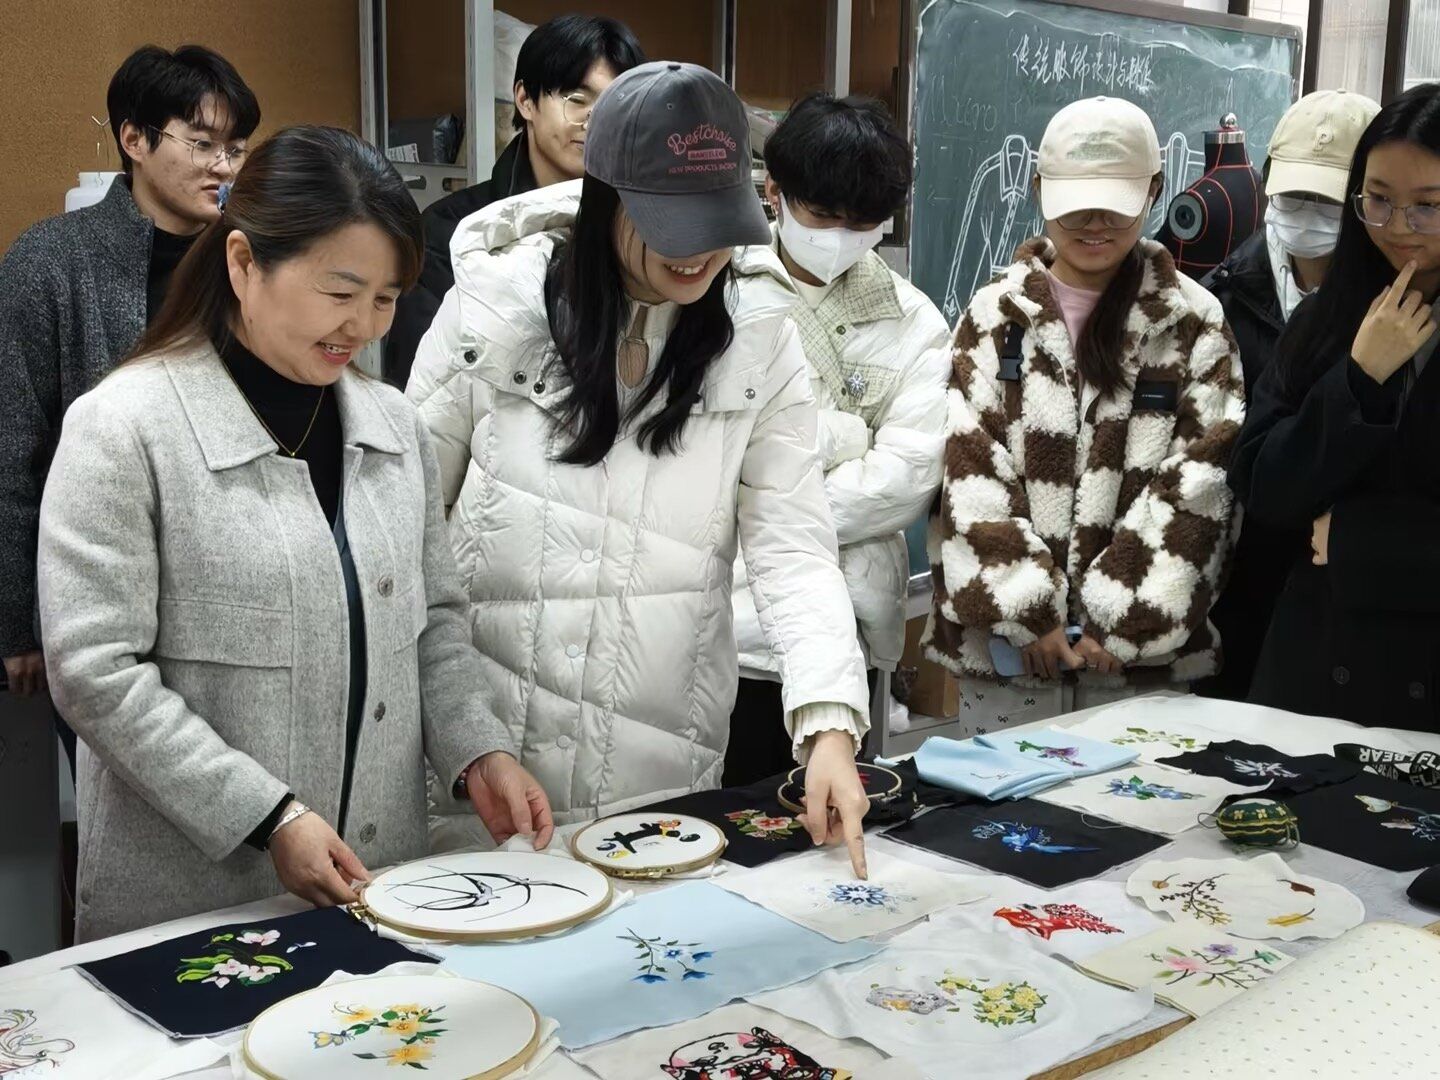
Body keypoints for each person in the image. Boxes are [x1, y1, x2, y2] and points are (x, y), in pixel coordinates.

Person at [37, 126, 554, 942]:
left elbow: (434, 625)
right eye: (339, 291)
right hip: (192, 903)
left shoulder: (394, 426)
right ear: (244, 263)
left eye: (385, 298)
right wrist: (268, 815)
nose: (362, 326)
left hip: (379, 877)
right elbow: (95, 673)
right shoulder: (126, 427)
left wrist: (476, 751)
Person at [408, 61, 874, 874]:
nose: (700, 254)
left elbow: (794, 548)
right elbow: (406, 532)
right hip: (488, 768)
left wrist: (829, 723)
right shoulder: (493, 307)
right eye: (671, 224)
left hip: (662, 768)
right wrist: (465, 740)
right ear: (607, 198)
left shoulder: (761, 335)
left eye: (717, 222)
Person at [926, 96, 1245, 733]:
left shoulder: (1193, 321)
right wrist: (1027, 610)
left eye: (1115, 202)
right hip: (1006, 665)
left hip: (1142, 671)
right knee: (1000, 802)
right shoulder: (994, 318)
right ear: (1038, 188)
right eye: (1074, 201)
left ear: (1154, 190)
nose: (1094, 221)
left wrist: (1121, 620)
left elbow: (1202, 484)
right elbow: (969, 469)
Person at [0, 44, 257, 757]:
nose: (224, 166)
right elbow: (13, 450)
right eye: (201, 143)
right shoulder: (50, 262)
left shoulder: (250, 259)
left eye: (236, 148)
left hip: (236, 589)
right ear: (135, 140)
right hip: (98, 598)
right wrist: (17, 623)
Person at [725, 92, 949, 785]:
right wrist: (850, 438)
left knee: (826, 815)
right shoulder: (718, 288)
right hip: (716, 629)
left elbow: (906, 477)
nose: (841, 236)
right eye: (823, 216)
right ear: (773, 190)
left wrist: (761, 503)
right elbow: (700, 456)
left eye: (863, 224)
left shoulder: (914, 322)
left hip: (847, 625)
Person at [1231, 84, 1440, 732]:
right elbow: (1262, 484)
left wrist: (1362, 540)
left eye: (1427, 206)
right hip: (1314, 676)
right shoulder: (1327, 316)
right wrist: (1359, 379)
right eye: (1378, 200)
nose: (1397, 227)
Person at [1198, 89, 1380, 702]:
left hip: (1344, 593)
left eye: (1327, 199)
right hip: (1235, 587)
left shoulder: (1394, 313)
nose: (1308, 213)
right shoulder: (1221, 295)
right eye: (1295, 194)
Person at [383, 15, 645, 389]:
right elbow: (419, 382)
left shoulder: (640, 227)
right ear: (525, 100)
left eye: (615, 105)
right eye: (577, 99)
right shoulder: (453, 231)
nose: (596, 121)